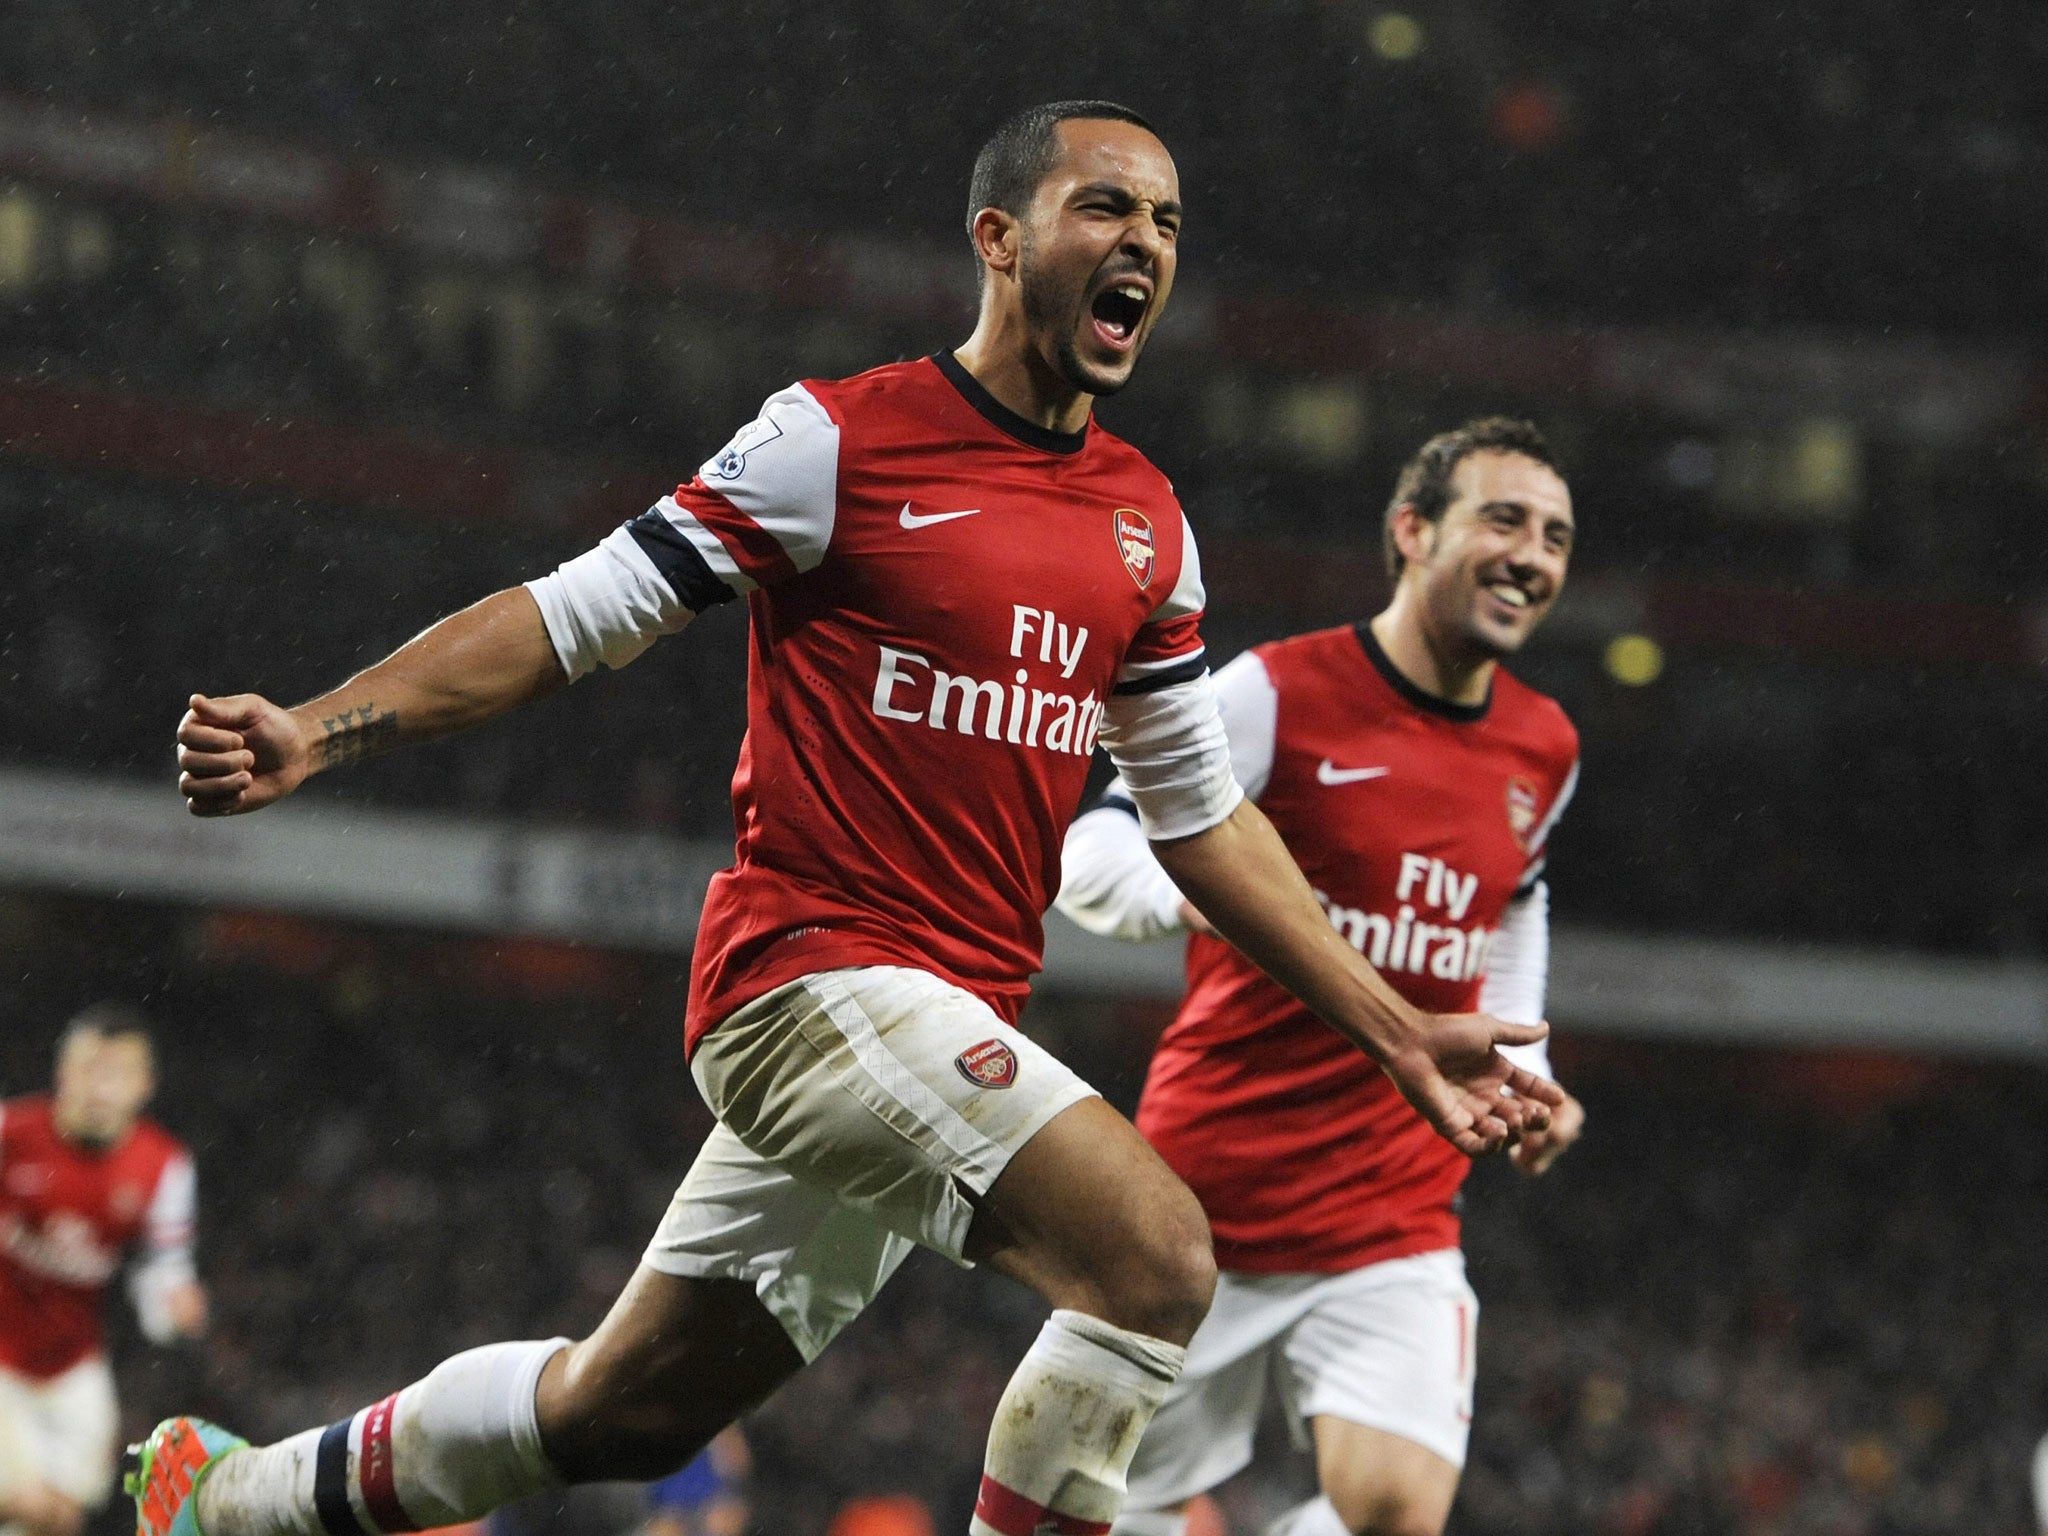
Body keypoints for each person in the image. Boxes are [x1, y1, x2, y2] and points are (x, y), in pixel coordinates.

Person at [136, 102, 1561, 1536]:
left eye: (1168, 223)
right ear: (999, 239)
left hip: (950, 1026)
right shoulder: (837, 442)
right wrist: (320, 726)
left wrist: (1397, 1028)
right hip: (808, 985)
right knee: (1156, 1261)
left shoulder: (1149, 527)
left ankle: (235, 1501)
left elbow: (1203, 820)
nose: (1145, 244)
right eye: (1107, 208)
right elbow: (570, 620)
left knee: (618, 1412)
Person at [1056, 418, 1584, 1536]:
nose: (1530, 555)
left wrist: (1526, 1058)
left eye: (1553, 537)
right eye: (1501, 519)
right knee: (1088, 1516)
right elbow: (1089, 853)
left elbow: (1517, 902)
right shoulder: (1275, 694)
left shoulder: (1545, 747)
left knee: (1394, 1509)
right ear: (1410, 530)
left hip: (1392, 1220)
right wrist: (1195, 892)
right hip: (1203, 1220)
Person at [2, 1006, 207, 1536]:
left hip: (73, 1364)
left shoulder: (164, 1165)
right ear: (61, 1071)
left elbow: (163, 1269)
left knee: (63, 1517)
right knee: (24, 1500)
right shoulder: (11, 1134)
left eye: (117, 1073)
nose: (100, 1087)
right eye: (89, 1068)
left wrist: (174, 1306)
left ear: (145, 1085)